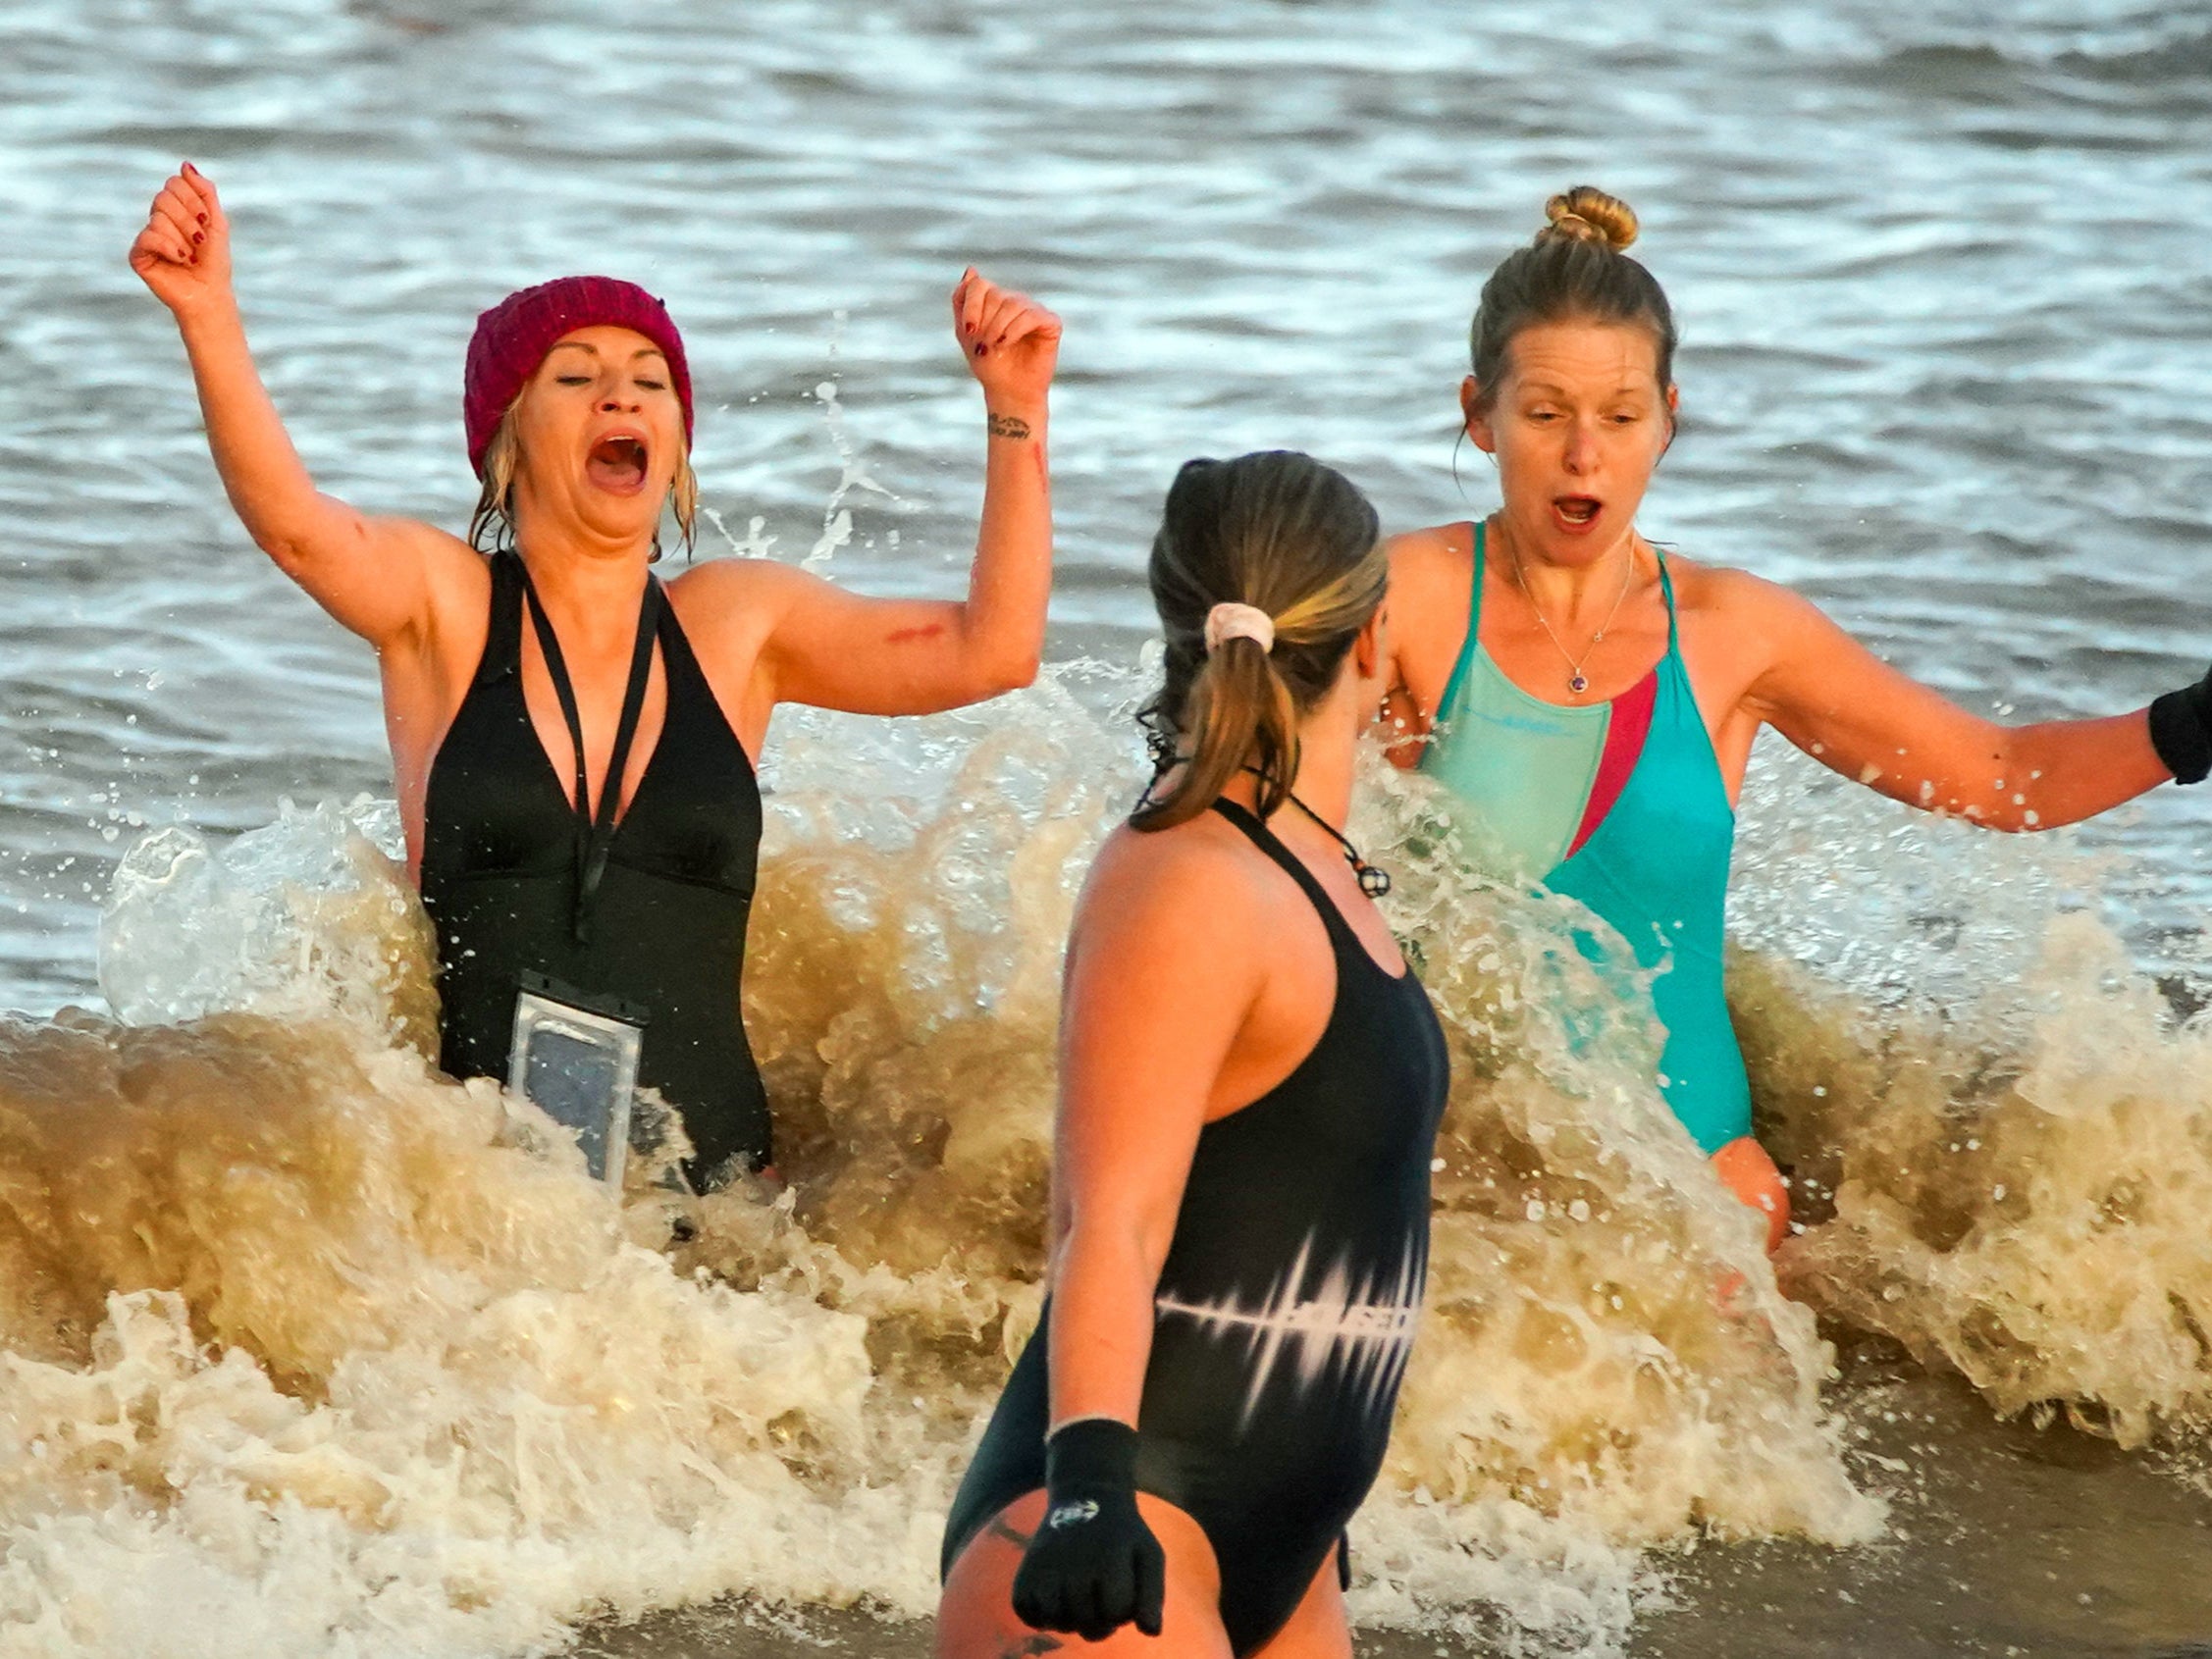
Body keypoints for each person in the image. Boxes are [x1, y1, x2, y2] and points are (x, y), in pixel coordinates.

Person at [130, 163, 1062, 1189]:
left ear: (675, 442)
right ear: (506, 438)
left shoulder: (735, 624)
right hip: (488, 1207)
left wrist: (1015, 408)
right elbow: (301, 532)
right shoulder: (447, 607)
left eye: (649, 380)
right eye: (574, 378)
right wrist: (207, 314)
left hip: (726, 1208)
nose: (620, 392)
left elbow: (993, 651)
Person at [1383, 185, 2209, 1251]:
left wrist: (2197, 722)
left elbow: (2003, 774)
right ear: (1478, 414)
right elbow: (1251, 796)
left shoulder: (1734, 631)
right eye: (1545, 415)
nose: (1585, 453)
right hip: (1461, 1159)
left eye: (1621, 417)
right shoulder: (1403, 601)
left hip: (1700, 1177)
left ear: (1667, 421)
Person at [937, 452, 1451, 1658]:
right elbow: (1104, 1218)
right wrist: (1088, 1487)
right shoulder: (1187, 877)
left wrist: (1311, 1500)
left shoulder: (1305, 858)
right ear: (1374, 637)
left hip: (1280, 1546)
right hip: (1122, 1524)